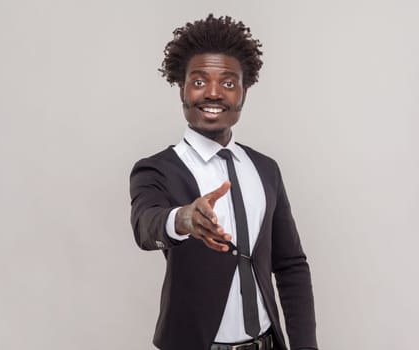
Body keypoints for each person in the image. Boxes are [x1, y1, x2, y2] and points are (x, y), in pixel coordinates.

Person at [130, 14, 318, 350]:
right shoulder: (156, 169)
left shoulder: (265, 169)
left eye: (228, 83)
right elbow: (147, 224)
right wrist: (183, 219)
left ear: (244, 92)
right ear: (181, 88)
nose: (213, 93)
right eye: (199, 82)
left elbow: (290, 265)